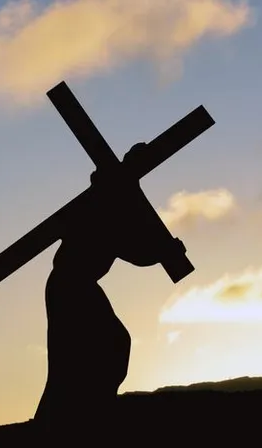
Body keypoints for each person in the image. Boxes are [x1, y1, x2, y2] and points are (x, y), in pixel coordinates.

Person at [32, 143, 184, 441]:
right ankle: (63, 423)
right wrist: (164, 251)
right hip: (70, 285)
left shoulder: (113, 203)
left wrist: (164, 250)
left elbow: (133, 248)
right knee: (78, 355)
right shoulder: (103, 204)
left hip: (79, 285)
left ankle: (87, 410)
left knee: (105, 345)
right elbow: (133, 249)